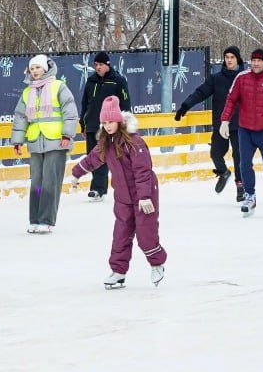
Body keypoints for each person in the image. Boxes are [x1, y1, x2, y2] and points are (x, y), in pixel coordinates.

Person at [71, 96, 167, 288]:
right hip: (123, 197)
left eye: (111, 122)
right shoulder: (105, 143)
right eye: (104, 122)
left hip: (143, 194)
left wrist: (145, 197)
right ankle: (118, 272)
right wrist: (76, 174)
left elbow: (143, 171)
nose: (107, 126)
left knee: (145, 233)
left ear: (119, 121)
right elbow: (92, 159)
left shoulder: (134, 142)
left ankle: (157, 264)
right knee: (121, 234)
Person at [10, 54, 80, 234]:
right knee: (37, 183)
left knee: (50, 182)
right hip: (35, 142)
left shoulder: (59, 87)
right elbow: (20, 117)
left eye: (38, 68)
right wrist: (18, 140)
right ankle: (34, 219)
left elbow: (70, 112)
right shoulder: (27, 92)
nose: (35, 71)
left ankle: (46, 220)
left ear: (46, 68)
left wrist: (67, 134)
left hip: (56, 141)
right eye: (32, 69)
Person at [219, 48, 263, 217]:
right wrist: (224, 120)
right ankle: (250, 195)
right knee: (244, 164)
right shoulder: (241, 78)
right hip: (245, 130)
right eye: (253, 60)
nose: (256, 63)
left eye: (259, 60)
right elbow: (231, 99)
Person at [175, 45, 244, 200]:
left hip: (240, 124)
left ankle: (241, 186)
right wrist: (185, 105)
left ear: (237, 59)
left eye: (232, 57)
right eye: (227, 57)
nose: (229, 60)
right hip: (221, 124)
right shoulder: (216, 79)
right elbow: (200, 92)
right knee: (215, 154)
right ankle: (223, 172)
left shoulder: (245, 78)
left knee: (239, 156)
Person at [78, 52, 131, 201]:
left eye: (101, 64)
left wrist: (124, 124)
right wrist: (83, 123)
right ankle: (99, 188)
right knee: (93, 156)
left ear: (107, 65)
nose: (98, 67)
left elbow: (126, 104)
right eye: (95, 65)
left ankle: (98, 189)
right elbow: (84, 104)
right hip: (92, 125)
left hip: (108, 127)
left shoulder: (118, 81)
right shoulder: (91, 81)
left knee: (104, 156)